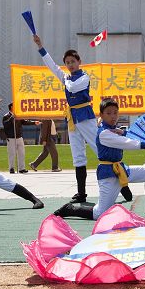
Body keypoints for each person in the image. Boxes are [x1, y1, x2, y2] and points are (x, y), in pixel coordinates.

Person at [33, 34, 131, 203]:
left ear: (79, 62)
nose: (70, 65)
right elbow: (52, 66)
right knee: (78, 156)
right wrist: (40, 47)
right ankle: (81, 193)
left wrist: (65, 79)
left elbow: (72, 87)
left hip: (85, 116)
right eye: (67, 62)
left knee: (101, 149)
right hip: (72, 119)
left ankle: (124, 185)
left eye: (72, 61)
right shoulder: (66, 77)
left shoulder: (83, 77)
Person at [53, 98, 145, 220]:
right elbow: (128, 143)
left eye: (115, 112)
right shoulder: (104, 133)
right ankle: (69, 209)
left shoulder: (114, 130)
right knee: (99, 214)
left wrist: (123, 132)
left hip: (121, 170)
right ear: (101, 115)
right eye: (109, 113)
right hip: (108, 175)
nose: (113, 116)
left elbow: (129, 135)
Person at [2, 102, 36, 174]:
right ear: (11, 107)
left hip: (19, 137)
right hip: (11, 138)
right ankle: (11, 168)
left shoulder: (18, 115)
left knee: (22, 153)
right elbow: (5, 125)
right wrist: (12, 117)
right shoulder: (6, 116)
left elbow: (24, 122)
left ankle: (21, 168)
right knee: (12, 154)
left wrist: (34, 122)